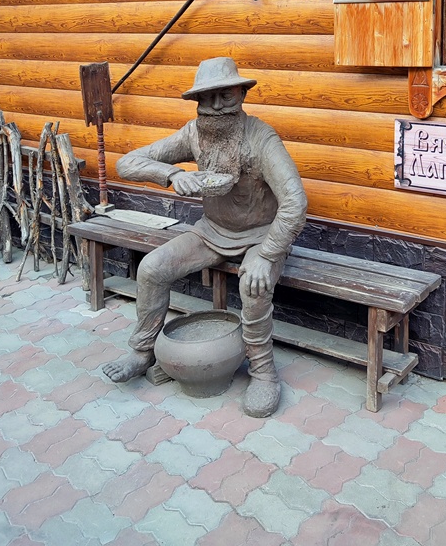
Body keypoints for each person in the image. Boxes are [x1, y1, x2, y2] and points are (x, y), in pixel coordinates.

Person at [101, 57, 308, 417]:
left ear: (242, 94)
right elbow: (127, 163)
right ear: (196, 101)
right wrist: (172, 174)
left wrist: (268, 254)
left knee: (253, 284)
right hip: (212, 231)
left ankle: (263, 371)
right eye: (206, 98)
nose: (215, 106)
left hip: (262, 236)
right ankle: (142, 351)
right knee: (152, 268)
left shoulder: (261, 138)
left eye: (225, 96)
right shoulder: (193, 133)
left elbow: (295, 202)